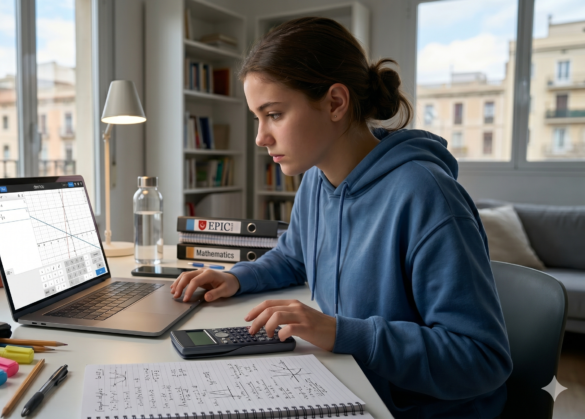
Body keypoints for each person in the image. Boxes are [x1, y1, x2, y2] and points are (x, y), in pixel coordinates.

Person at [170, 17, 512, 418]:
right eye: (257, 117)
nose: (261, 137)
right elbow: (293, 257)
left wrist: (341, 332)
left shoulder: (427, 197)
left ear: (335, 102)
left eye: (274, 114)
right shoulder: (316, 180)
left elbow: (482, 359)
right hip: (349, 385)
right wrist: (235, 278)